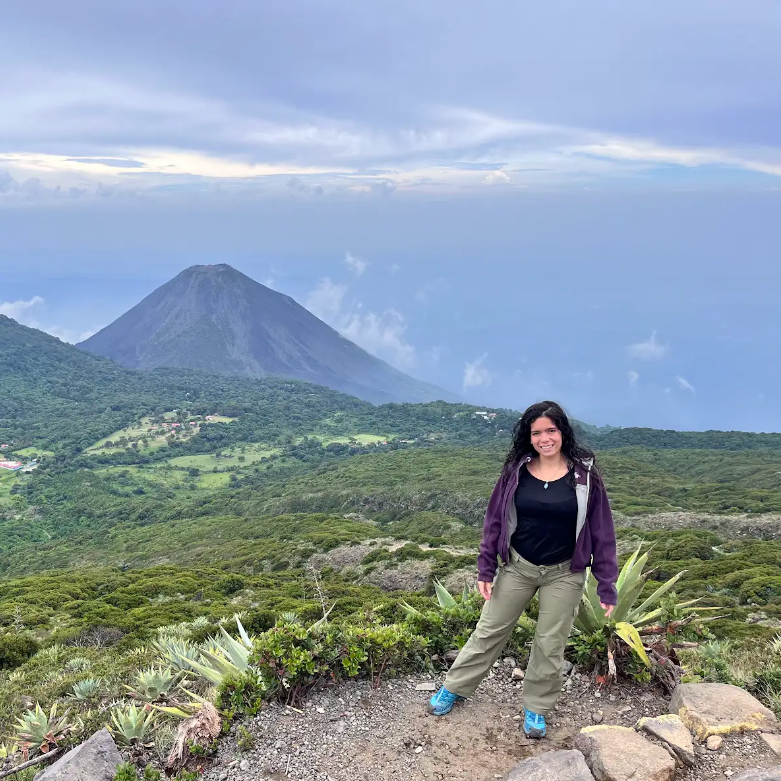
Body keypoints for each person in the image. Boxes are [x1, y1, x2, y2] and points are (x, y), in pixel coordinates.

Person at [428, 401, 618, 739]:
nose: (544, 438)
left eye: (551, 430)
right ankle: (454, 686)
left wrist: (606, 583)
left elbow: (602, 530)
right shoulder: (516, 471)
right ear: (528, 437)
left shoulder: (584, 476)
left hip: (565, 571)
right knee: (488, 631)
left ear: (563, 432)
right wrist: (485, 568)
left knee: (550, 643)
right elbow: (494, 521)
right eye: (537, 433)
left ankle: (537, 708)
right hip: (517, 565)